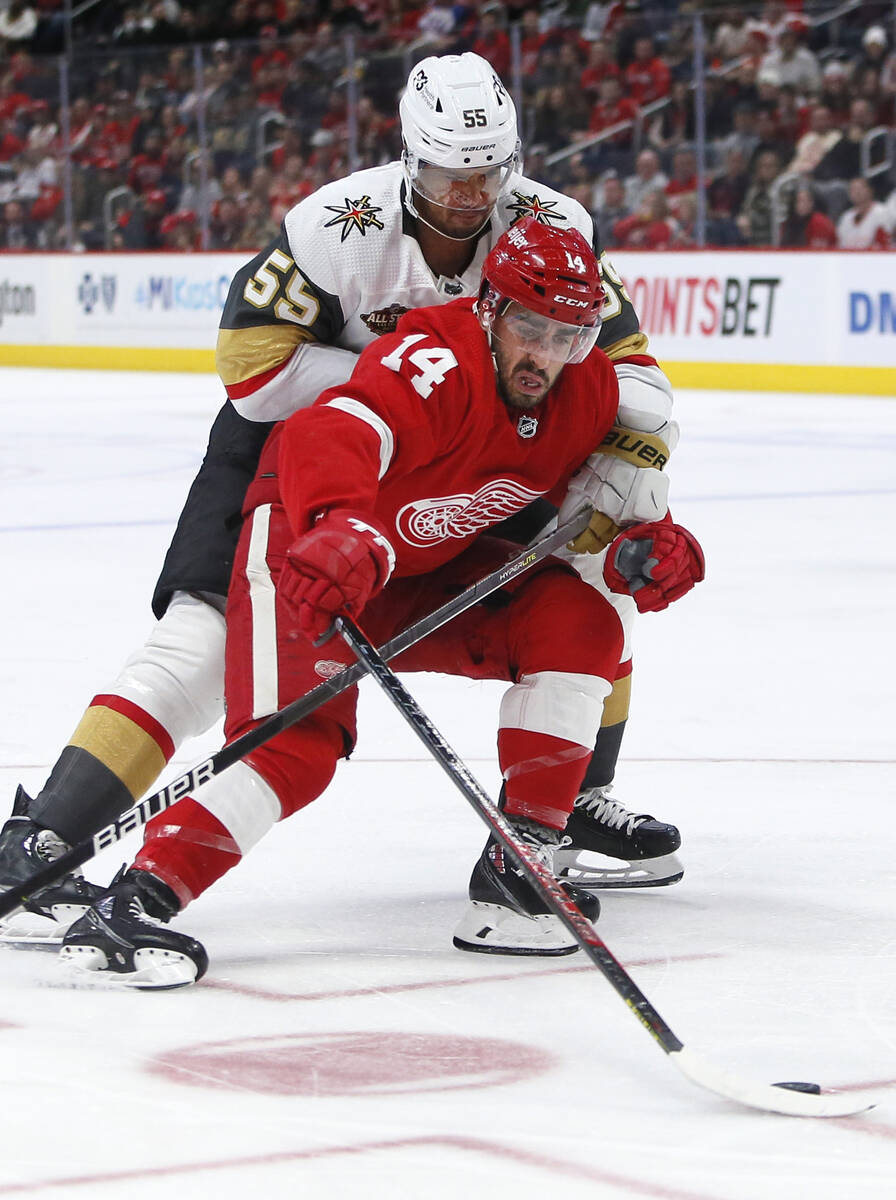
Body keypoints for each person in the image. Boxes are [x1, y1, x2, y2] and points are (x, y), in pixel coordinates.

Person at [0, 52, 684, 945]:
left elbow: (632, 375)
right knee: (210, 638)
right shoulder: (338, 225)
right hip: (313, 444)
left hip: (473, 447)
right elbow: (252, 371)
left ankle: (567, 807)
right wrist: (417, 383)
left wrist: (641, 485)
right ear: (410, 158)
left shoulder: (553, 225)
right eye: (450, 173)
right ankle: (45, 832)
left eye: (490, 172)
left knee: (585, 581)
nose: (473, 195)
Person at [55, 219, 704, 988]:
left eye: (569, 334)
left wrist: (649, 547)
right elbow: (330, 429)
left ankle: (518, 865)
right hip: (315, 551)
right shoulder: (437, 357)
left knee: (583, 620)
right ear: (491, 309)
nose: (546, 354)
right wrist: (334, 525)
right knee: (299, 745)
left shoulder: (587, 386)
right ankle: (137, 901)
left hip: (425, 573)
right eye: (531, 326)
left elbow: (598, 508)